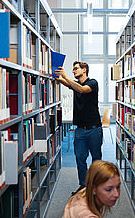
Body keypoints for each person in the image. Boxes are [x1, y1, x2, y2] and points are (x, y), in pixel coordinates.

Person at [55, 61, 103, 194]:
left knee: (96, 159)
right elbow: (68, 84)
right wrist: (56, 75)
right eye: (73, 69)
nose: (74, 71)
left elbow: (82, 89)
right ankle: (83, 186)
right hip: (80, 130)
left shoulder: (92, 83)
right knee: (80, 159)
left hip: (94, 129)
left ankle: (96, 187)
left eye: (76, 69)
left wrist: (65, 76)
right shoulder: (75, 85)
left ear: (84, 70)